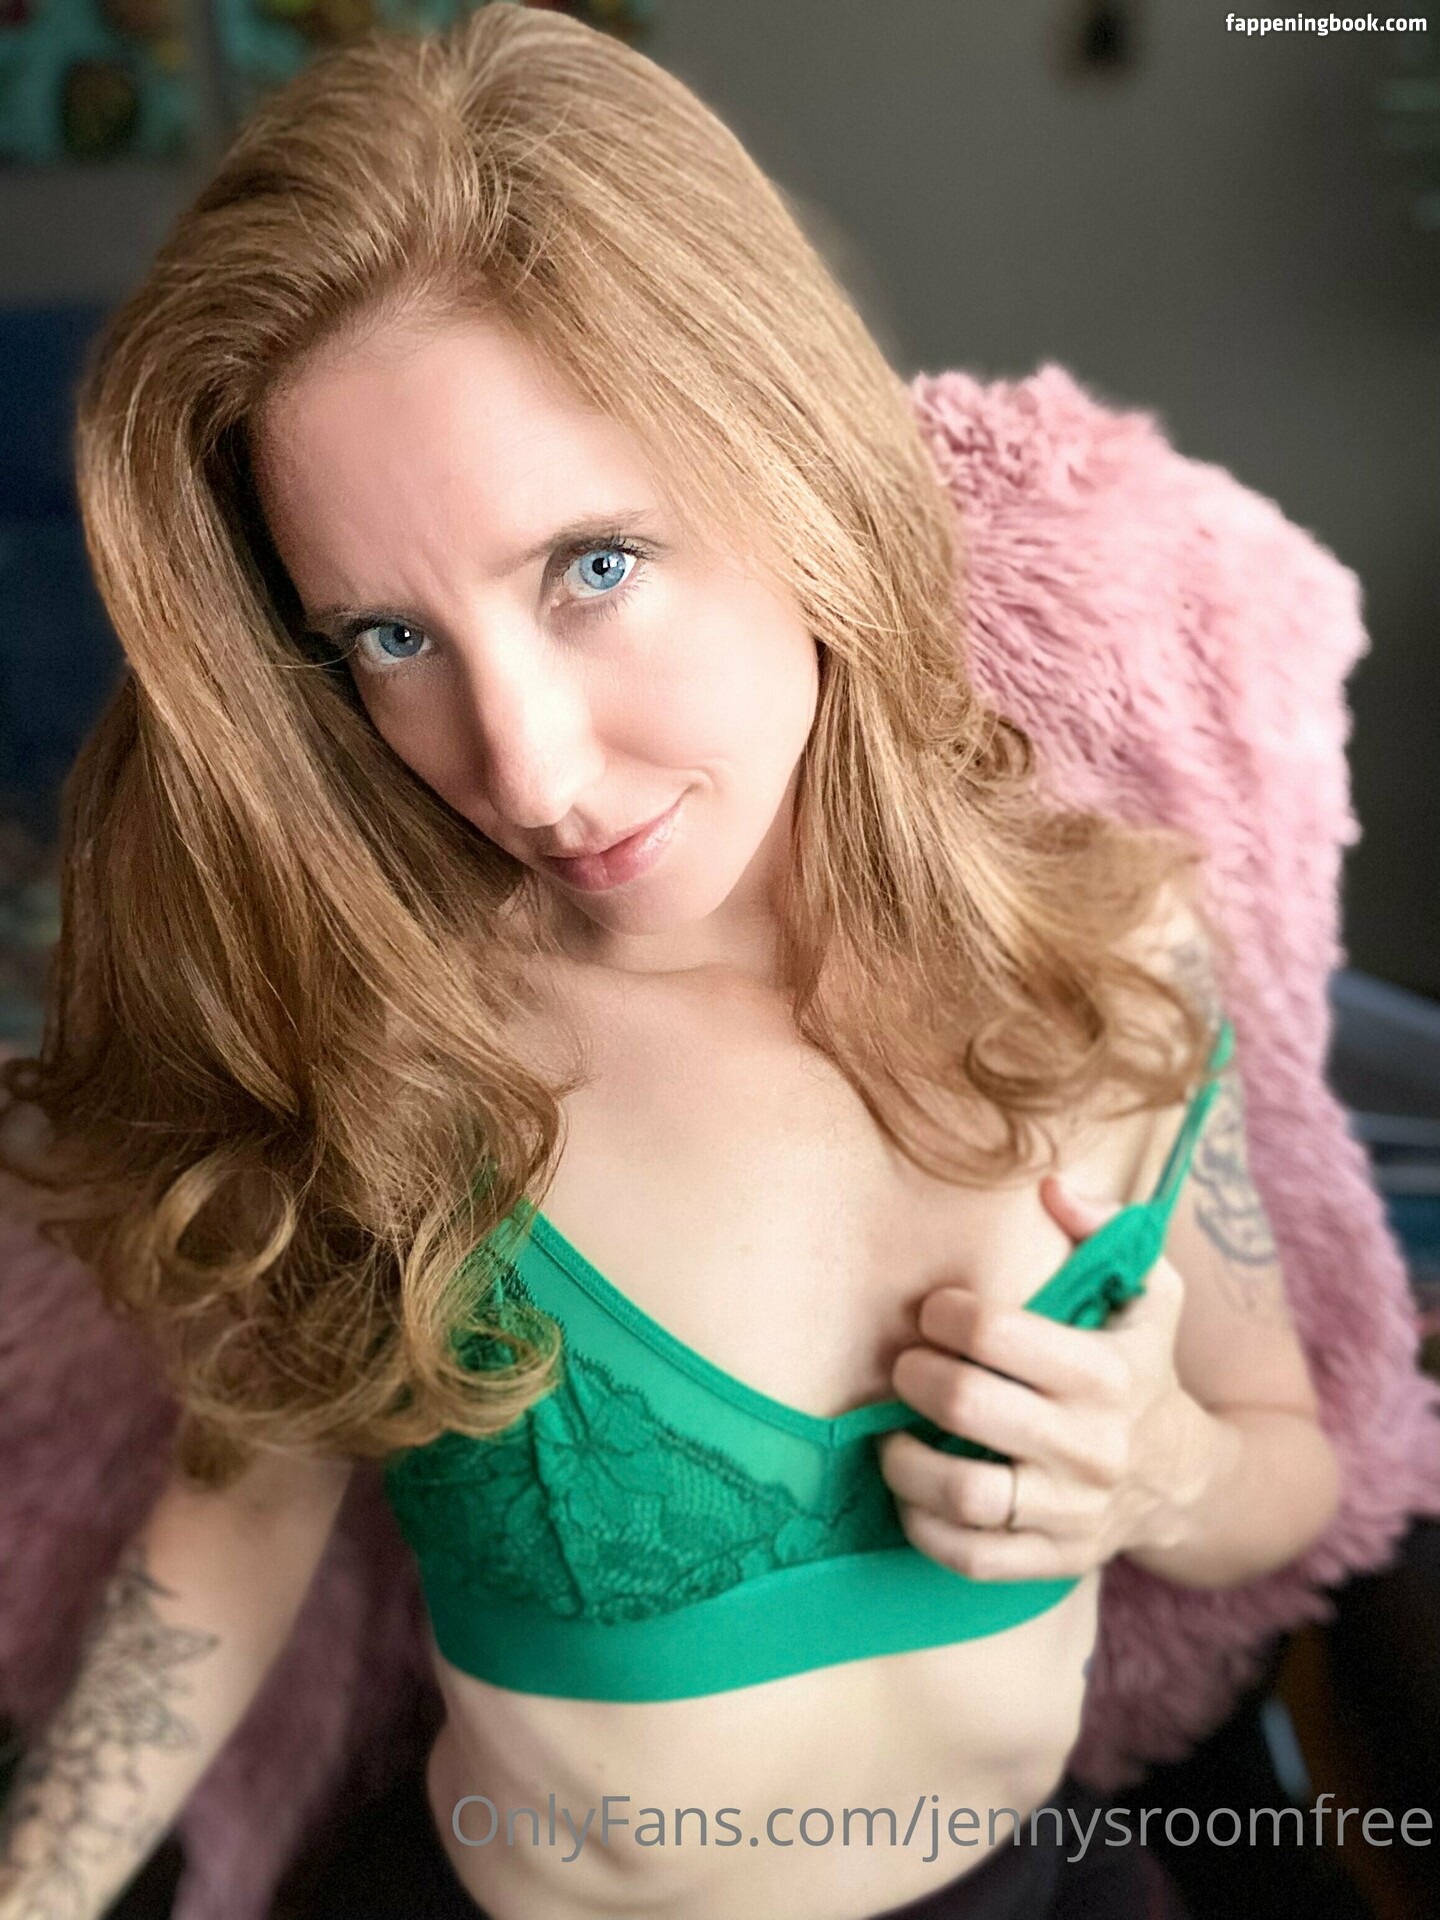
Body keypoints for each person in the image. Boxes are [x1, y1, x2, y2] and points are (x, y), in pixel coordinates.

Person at [0, 7, 1340, 1918]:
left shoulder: (1114, 956)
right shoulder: (385, 1040)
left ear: (800, 471)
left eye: (594, 567)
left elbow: (1287, 1461)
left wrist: (1165, 1475)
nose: (526, 774)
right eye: (389, 640)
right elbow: (236, 1519)